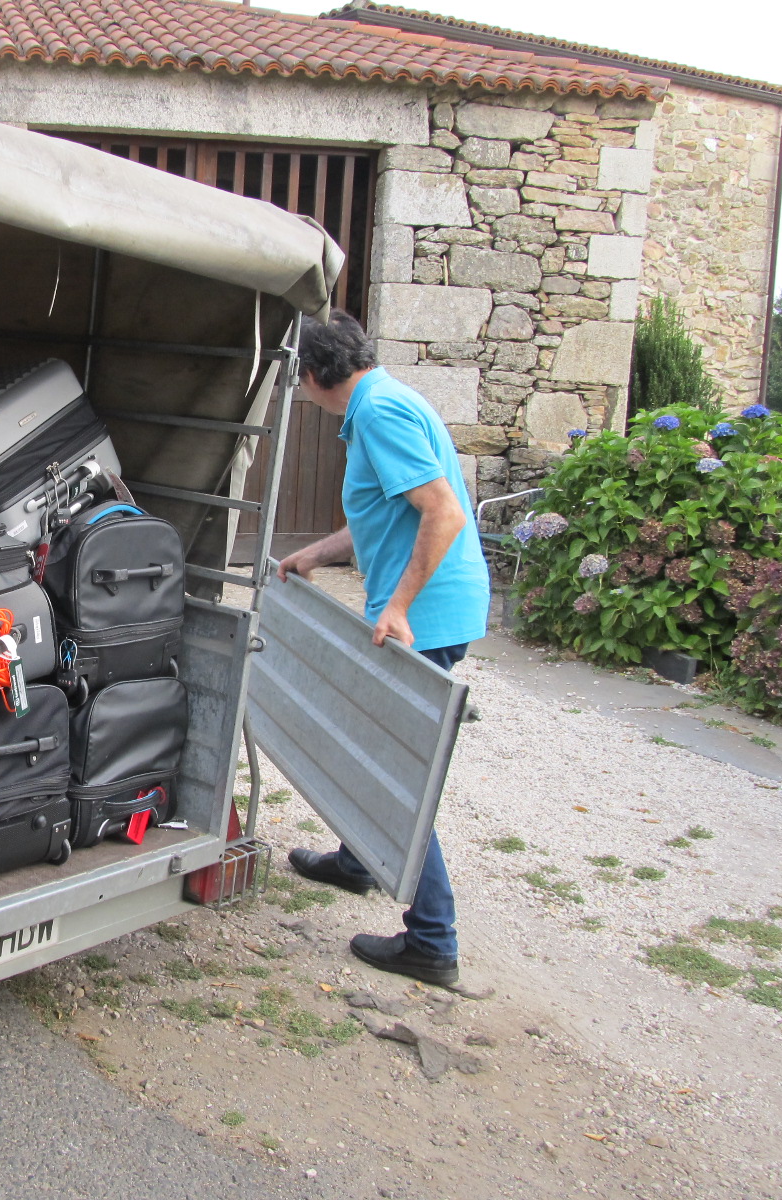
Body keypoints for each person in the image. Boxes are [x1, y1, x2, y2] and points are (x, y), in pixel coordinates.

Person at [276, 310, 490, 987]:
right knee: (364, 735)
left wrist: (397, 607)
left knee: (397, 772)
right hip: (429, 607)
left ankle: (433, 940)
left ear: (311, 375)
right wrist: (316, 552)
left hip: (424, 614)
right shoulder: (381, 401)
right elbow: (384, 511)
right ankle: (359, 859)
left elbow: (444, 511)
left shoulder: (378, 414)